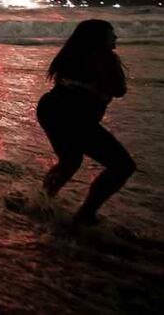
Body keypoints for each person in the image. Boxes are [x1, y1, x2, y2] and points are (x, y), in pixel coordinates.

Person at [36, 19, 136, 225]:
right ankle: (86, 214)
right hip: (73, 116)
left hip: (51, 108)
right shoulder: (103, 59)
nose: (115, 38)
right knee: (123, 166)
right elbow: (119, 90)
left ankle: (41, 201)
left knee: (70, 161)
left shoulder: (71, 56)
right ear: (98, 39)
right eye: (111, 35)